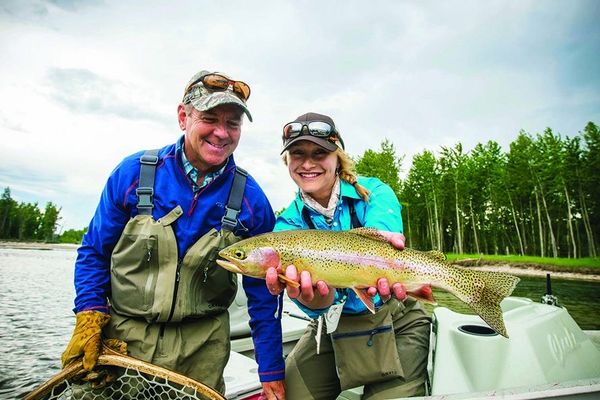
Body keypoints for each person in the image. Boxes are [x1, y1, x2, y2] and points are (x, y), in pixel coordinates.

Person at [60, 70, 285, 398]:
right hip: (121, 344)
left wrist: (271, 370)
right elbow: (94, 251)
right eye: (209, 118)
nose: (221, 133)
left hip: (203, 353)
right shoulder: (132, 174)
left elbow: (264, 295)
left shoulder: (253, 201)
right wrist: (90, 314)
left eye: (233, 123)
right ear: (183, 117)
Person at [265, 112, 431, 399]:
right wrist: (317, 301)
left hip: (396, 319)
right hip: (333, 326)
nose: (307, 163)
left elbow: (384, 230)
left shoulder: (375, 192)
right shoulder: (286, 226)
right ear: (287, 161)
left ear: (337, 157)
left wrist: (380, 241)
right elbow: (318, 303)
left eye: (319, 153)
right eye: (297, 154)